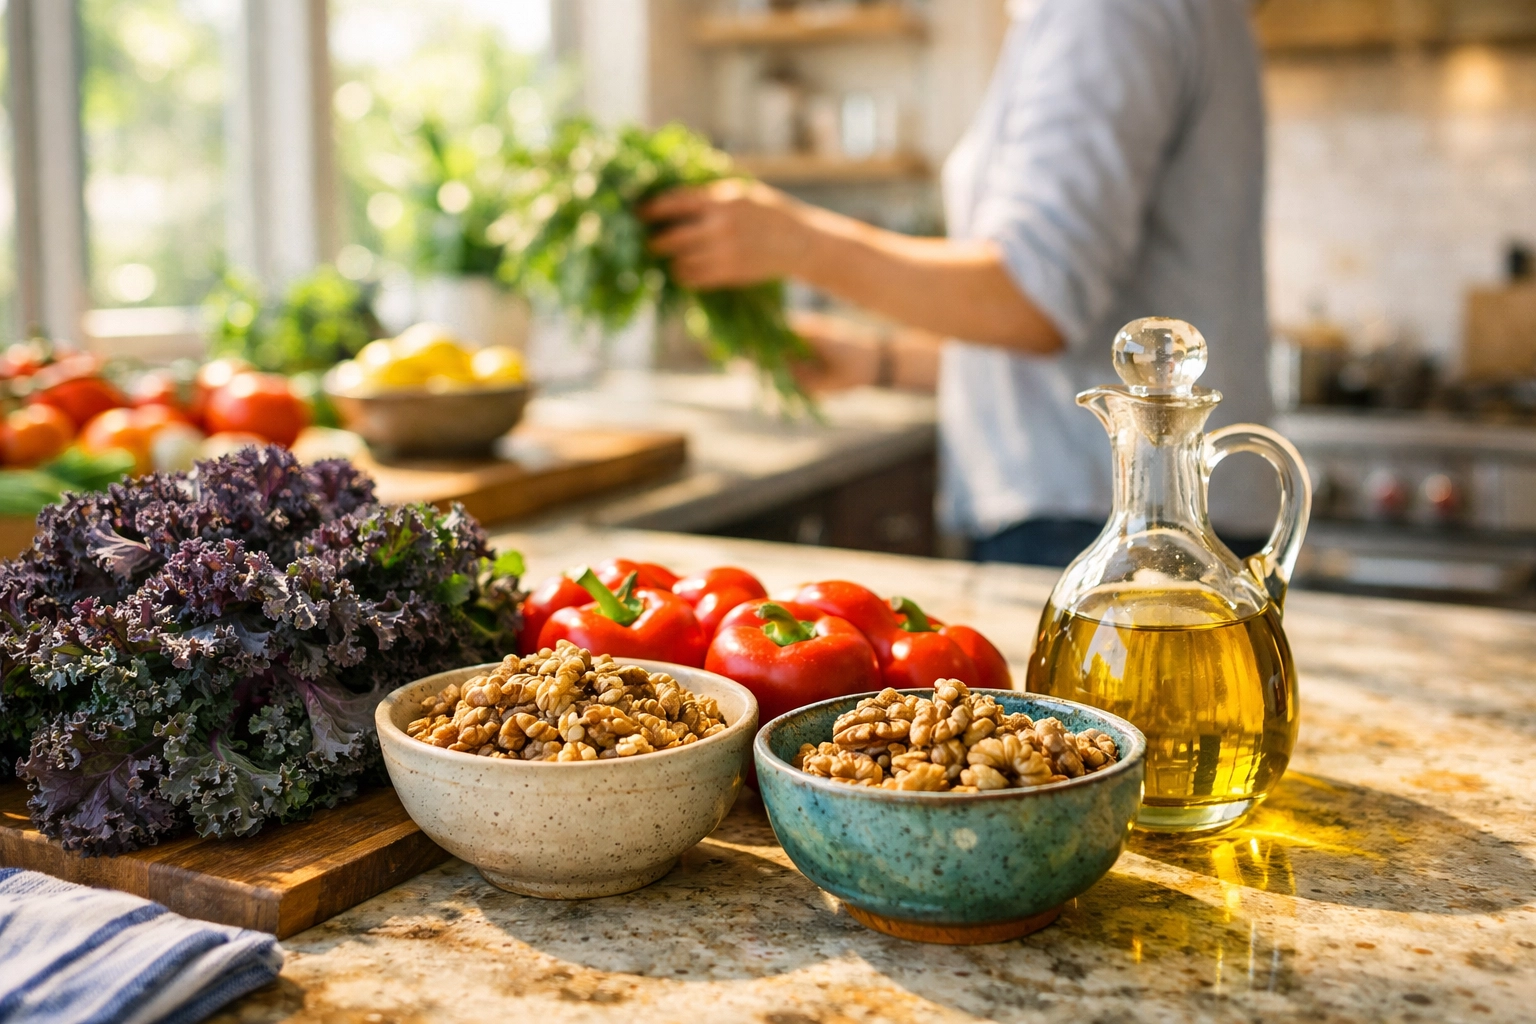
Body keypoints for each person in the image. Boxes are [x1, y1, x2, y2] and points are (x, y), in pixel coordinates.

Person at [641, 0, 1275, 567]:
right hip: (1117, 512)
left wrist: (796, 242)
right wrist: (878, 361)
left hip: (1109, 530)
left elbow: (1035, 298)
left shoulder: (1104, 14)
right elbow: (1087, 335)